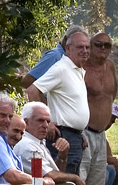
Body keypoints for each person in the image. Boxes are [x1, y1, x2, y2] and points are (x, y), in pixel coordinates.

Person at [25, 30, 91, 177]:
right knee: (65, 183)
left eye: (87, 47)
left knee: (72, 182)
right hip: (63, 136)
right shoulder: (61, 68)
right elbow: (32, 90)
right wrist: (47, 123)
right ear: (68, 49)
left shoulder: (77, 70)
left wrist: (80, 134)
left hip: (74, 136)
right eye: (80, 47)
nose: (85, 51)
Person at [80, 32, 118, 185]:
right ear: (90, 46)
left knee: (97, 184)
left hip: (100, 133)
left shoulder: (110, 66)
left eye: (107, 45)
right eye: (99, 44)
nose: (103, 48)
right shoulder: (81, 67)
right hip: (84, 133)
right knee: (81, 182)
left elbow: (111, 94)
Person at [20, 25, 88, 89]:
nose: (83, 50)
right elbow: (27, 82)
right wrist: (45, 100)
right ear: (66, 40)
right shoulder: (54, 56)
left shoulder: (70, 59)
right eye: (79, 46)